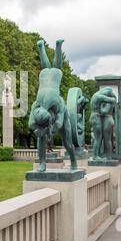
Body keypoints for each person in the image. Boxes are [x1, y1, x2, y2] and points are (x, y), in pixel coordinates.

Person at [29, 40, 77, 172]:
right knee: (50, 71)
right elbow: (31, 124)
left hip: (63, 116)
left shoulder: (59, 104)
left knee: (67, 142)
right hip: (47, 88)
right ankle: (42, 163)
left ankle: (73, 161)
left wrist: (48, 130)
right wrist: (40, 130)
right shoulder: (36, 106)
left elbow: (59, 125)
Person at [90, 88, 117, 160]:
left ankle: (99, 155)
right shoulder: (99, 96)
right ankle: (95, 156)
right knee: (98, 138)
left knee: (99, 138)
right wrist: (113, 98)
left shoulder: (95, 95)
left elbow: (104, 110)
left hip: (98, 117)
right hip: (96, 117)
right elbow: (112, 100)